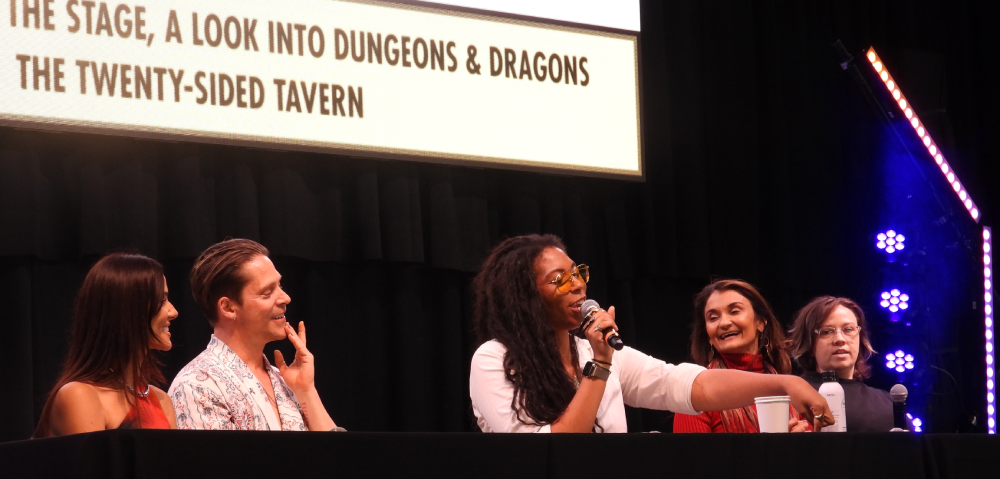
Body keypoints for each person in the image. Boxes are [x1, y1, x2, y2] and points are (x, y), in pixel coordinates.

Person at [468, 234, 834, 433]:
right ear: (525, 297)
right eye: (559, 279)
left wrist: (784, 384)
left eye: (577, 272)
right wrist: (599, 365)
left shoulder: (595, 354)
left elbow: (690, 385)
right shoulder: (494, 359)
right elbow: (553, 452)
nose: (578, 285)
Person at [168, 239, 339, 431]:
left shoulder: (282, 379)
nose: (285, 298)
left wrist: (306, 390)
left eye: (279, 286)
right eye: (267, 292)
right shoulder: (197, 385)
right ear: (228, 307)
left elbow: (339, 455)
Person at [34, 253, 179, 437]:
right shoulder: (80, 396)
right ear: (128, 310)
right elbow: (95, 466)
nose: (173, 311)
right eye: (162, 300)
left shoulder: (161, 400)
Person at [673, 279, 810, 433]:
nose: (724, 323)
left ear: (760, 322)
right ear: (709, 337)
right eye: (713, 318)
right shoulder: (695, 398)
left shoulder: (789, 388)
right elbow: (690, 457)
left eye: (734, 311)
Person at [787, 296, 896, 432]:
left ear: (860, 337)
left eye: (848, 330)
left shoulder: (888, 403)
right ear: (809, 345)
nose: (839, 339)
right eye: (827, 332)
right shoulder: (791, 400)